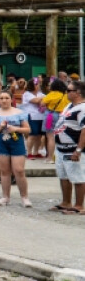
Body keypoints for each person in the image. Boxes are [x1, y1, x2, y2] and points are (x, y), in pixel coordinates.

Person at [0, 87, 31, 207]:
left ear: (11, 99)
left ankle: (24, 197)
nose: (4, 100)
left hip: (16, 141)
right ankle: (5, 196)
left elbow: (27, 129)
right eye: (1, 98)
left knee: (19, 170)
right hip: (1, 142)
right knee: (4, 171)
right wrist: (0, 127)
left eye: (6, 98)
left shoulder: (19, 113)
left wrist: (15, 128)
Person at [51, 81, 85, 214]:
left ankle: (79, 205)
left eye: (69, 90)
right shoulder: (69, 106)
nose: (66, 93)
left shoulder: (83, 108)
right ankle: (66, 202)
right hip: (61, 148)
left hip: (73, 148)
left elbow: (84, 130)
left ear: (77, 92)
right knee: (63, 175)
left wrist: (78, 150)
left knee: (78, 177)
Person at [43, 80, 71, 165]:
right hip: (63, 116)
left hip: (50, 116)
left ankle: (50, 158)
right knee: (62, 136)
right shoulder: (66, 96)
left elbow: (42, 103)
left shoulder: (51, 94)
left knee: (50, 137)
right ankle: (61, 157)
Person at [21, 78, 47, 159]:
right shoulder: (27, 94)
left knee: (39, 135)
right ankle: (29, 152)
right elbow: (35, 101)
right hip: (31, 116)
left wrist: (45, 99)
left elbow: (46, 100)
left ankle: (36, 152)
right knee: (32, 135)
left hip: (41, 116)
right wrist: (45, 99)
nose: (38, 85)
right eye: (37, 84)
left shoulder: (40, 94)